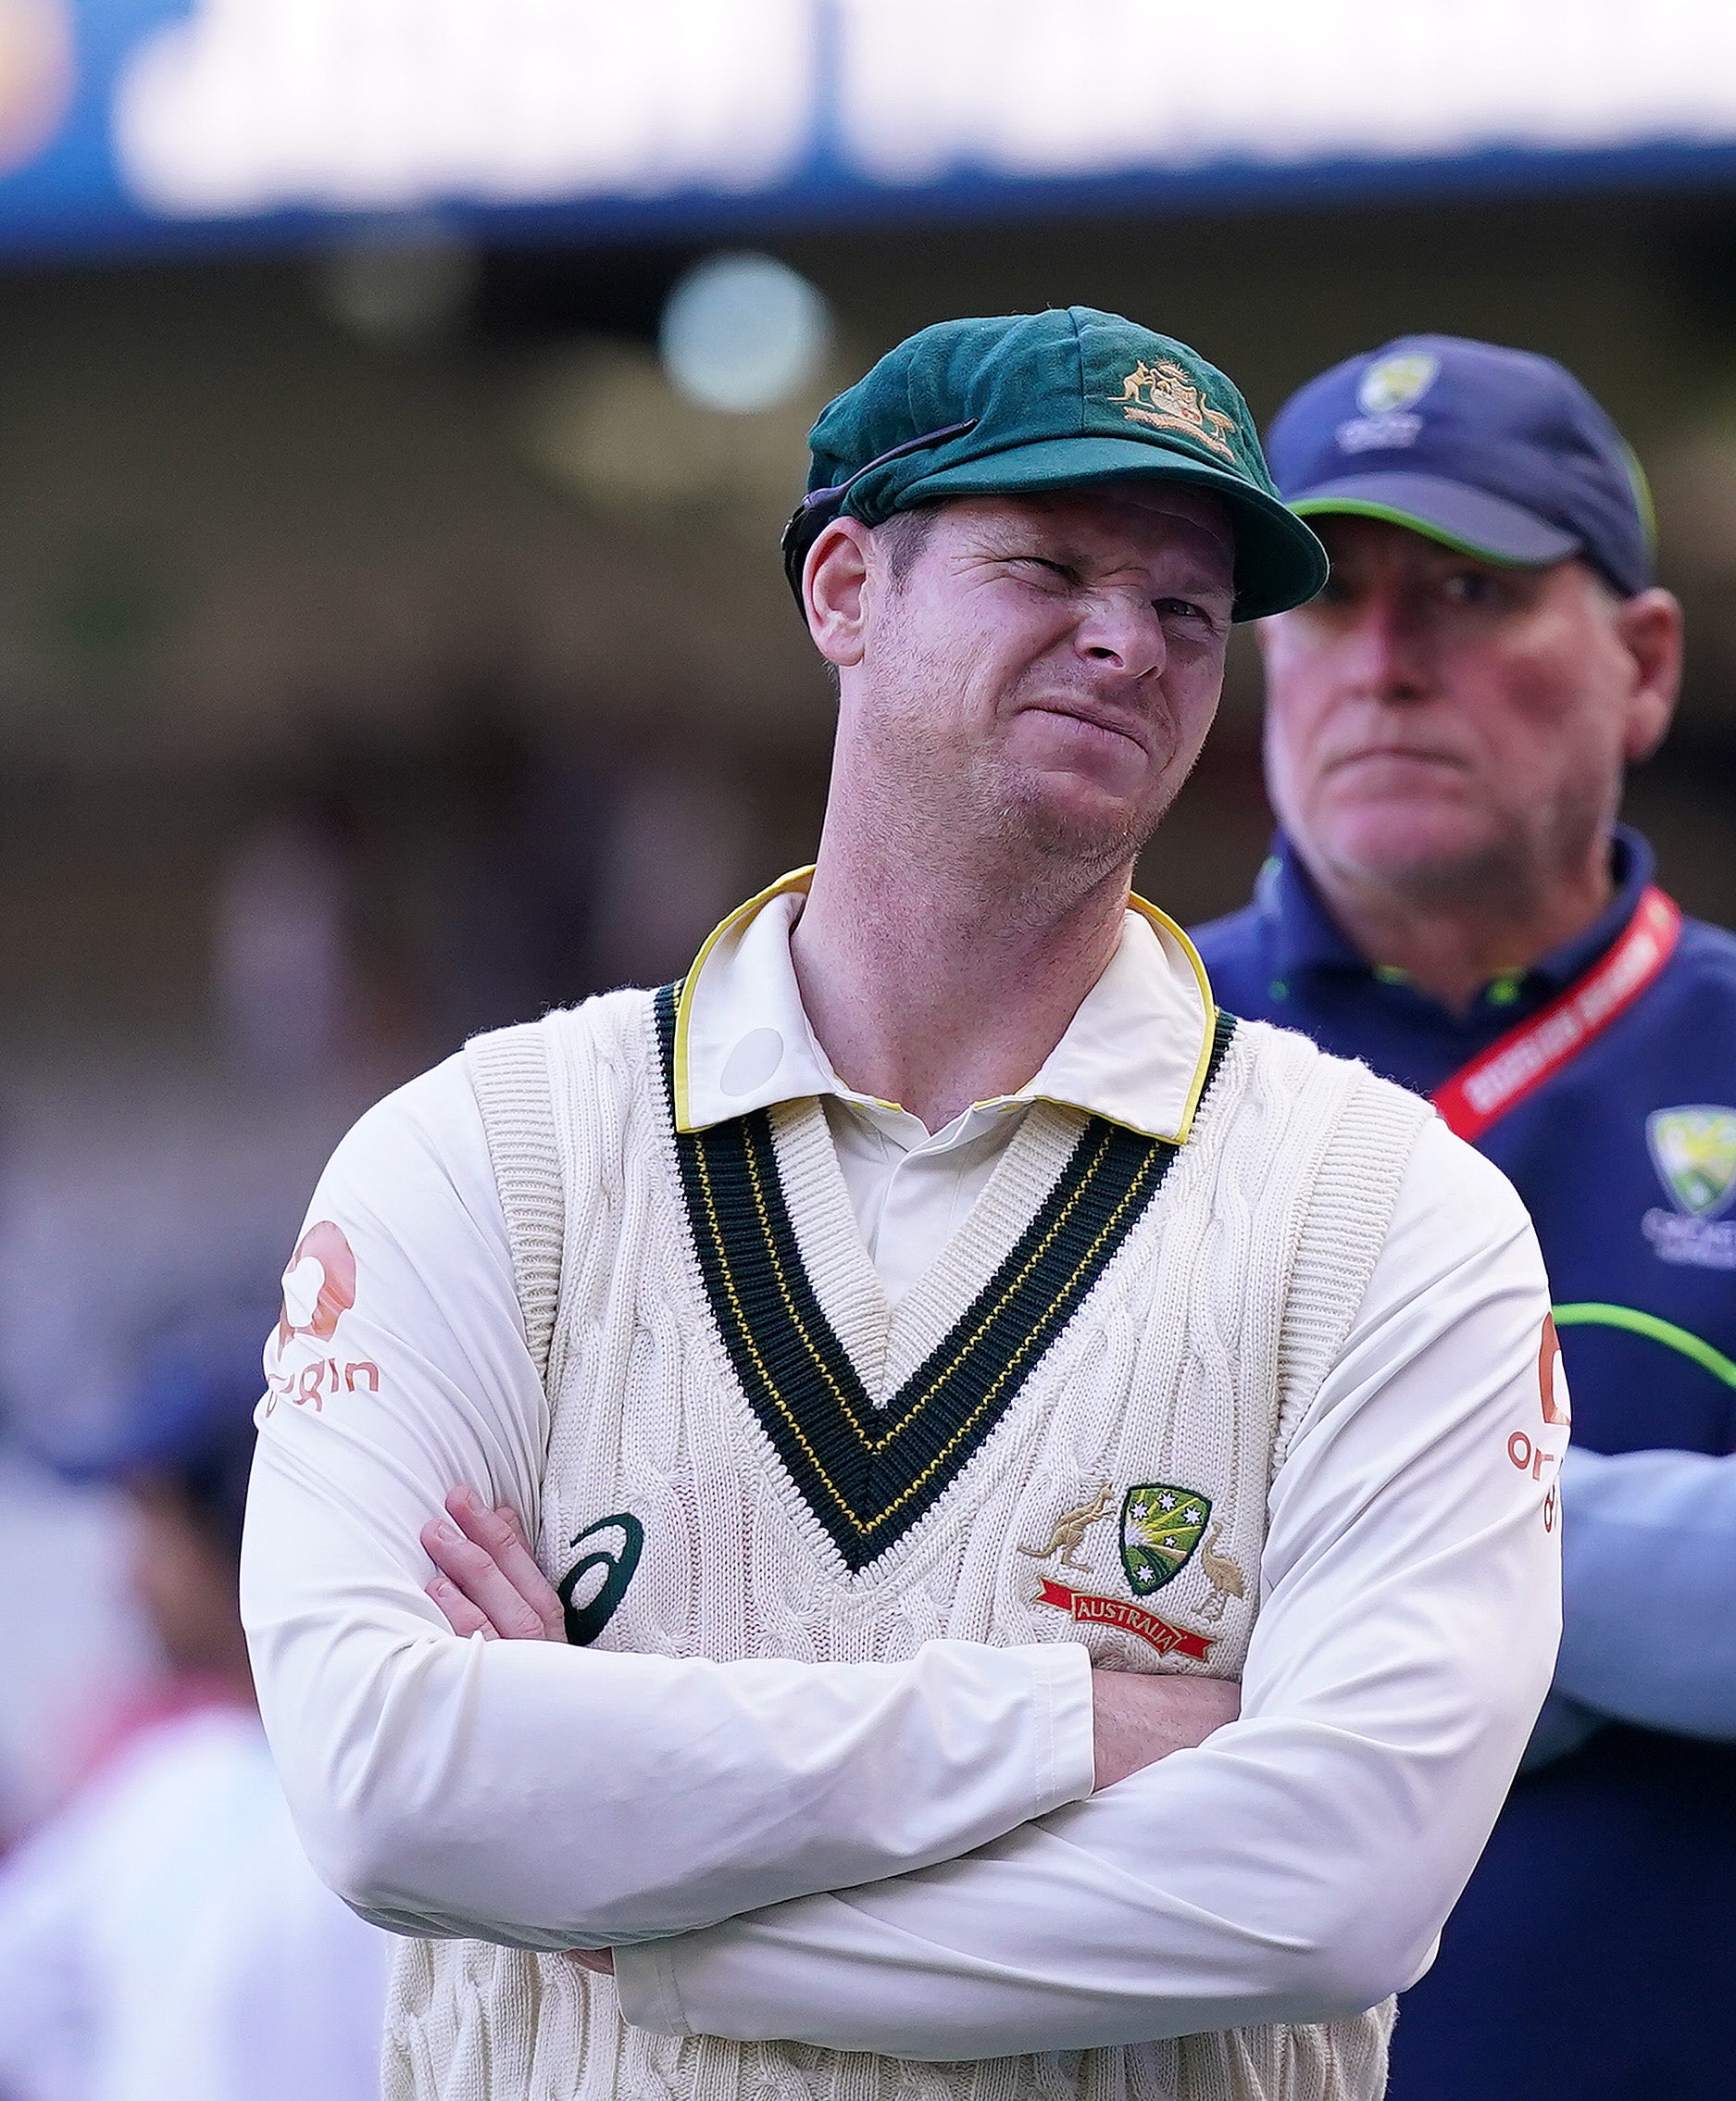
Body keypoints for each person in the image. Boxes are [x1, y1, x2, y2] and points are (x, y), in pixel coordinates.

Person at [241, 306, 1567, 2100]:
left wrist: (639, 1893)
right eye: (1048, 565)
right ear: (843, 589)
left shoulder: (1391, 1214)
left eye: (1188, 607)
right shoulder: (486, 1159)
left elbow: (1336, 1882)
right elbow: (387, 1781)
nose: (1128, 639)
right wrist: (1053, 1724)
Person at [1194, 334, 1736, 2101]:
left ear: (1641, 666)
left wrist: (1298, 1580)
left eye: (1470, 590)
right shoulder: (1096, 1068)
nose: (1388, 664)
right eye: (1327, 605)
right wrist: (1716, 1530)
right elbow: (998, 1635)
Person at [0, 1314, 390, 2101]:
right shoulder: (178, 1778)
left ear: (239, 1527)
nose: (129, 1577)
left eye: (153, 1526)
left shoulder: (217, 1785)